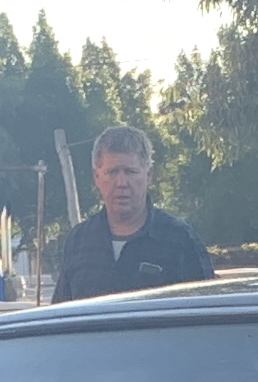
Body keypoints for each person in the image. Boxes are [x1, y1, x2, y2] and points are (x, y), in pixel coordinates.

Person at [50, 125, 215, 300]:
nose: (121, 182)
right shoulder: (79, 242)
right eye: (112, 172)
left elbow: (207, 314)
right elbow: (60, 317)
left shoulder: (180, 240)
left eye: (130, 172)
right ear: (96, 177)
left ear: (149, 175)